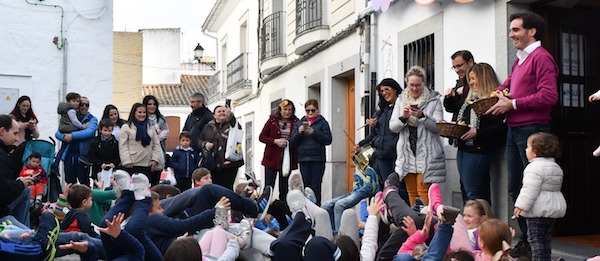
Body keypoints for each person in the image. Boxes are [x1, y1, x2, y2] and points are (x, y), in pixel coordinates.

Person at [486, 12, 559, 257]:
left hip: (533, 131)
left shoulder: (542, 58)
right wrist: (498, 93)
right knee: (516, 187)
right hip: (515, 129)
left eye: (516, 29)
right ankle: (528, 242)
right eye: (510, 30)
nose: (511, 34)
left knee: (532, 187)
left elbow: (549, 96)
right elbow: (506, 85)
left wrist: (513, 104)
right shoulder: (520, 60)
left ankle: (535, 243)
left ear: (532, 31)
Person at [389, 65, 445, 207]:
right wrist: (404, 117)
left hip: (427, 155)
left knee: (424, 192)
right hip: (407, 155)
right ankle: (417, 224)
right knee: (411, 193)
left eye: (418, 85)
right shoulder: (401, 99)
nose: (414, 89)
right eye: (411, 85)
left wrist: (422, 116)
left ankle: (429, 224)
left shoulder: (434, 100)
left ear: (423, 83)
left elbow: (439, 127)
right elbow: (393, 127)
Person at [455, 63, 507, 204]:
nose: (471, 82)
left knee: (474, 194)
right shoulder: (470, 100)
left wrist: (478, 133)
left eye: (473, 78)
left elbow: (501, 129)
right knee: (467, 191)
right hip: (464, 149)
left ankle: (479, 225)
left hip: (479, 151)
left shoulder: (495, 100)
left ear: (484, 78)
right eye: (469, 79)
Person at [513, 132, 566, 261]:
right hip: (553, 208)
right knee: (546, 239)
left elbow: (529, 189)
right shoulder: (556, 167)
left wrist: (520, 205)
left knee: (535, 239)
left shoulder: (533, 168)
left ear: (536, 150)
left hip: (538, 209)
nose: (526, 150)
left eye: (528, 147)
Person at [356, 78, 405, 191]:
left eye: (387, 89)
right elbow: (374, 134)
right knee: (386, 187)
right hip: (382, 154)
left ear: (395, 89)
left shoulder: (402, 107)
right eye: (382, 91)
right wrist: (361, 143)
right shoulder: (381, 111)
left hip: (397, 154)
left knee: (400, 188)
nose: (384, 93)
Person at [290, 99, 332, 205]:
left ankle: (317, 211)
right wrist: (299, 133)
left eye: (313, 110)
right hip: (303, 159)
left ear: (317, 110)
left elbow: (328, 140)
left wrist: (314, 132)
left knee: (316, 187)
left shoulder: (322, 123)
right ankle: (307, 211)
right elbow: (292, 143)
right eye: (307, 110)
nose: (310, 113)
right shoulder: (299, 123)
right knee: (306, 187)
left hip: (318, 159)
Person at [259, 99, 299, 201]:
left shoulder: (296, 122)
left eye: (290, 110)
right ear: (280, 110)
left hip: (287, 159)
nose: (287, 112)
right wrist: (275, 141)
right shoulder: (272, 121)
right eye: (285, 109)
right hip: (272, 158)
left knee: (284, 187)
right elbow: (262, 137)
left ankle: (283, 211)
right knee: (269, 187)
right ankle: (266, 209)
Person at [55, 96, 99, 187]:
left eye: (87, 105)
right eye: (81, 104)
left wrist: (72, 136)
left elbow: (89, 132)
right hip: (69, 154)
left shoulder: (92, 119)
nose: (84, 107)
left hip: (83, 156)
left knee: (84, 183)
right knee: (70, 183)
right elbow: (58, 133)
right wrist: (65, 137)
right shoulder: (70, 116)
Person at [198, 105, 244, 190]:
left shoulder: (232, 125)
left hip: (229, 163)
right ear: (214, 115)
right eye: (219, 111)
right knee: (215, 188)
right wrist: (205, 144)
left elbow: (237, 128)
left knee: (227, 188)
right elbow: (199, 141)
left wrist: (231, 116)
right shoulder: (208, 127)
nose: (222, 113)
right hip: (213, 163)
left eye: (224, 111)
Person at [0, 114, 33, 227]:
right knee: (33, 239)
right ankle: (24, 235)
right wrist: (20, 183)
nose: (17, 138)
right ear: (2, 131)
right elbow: (5, 195)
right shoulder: (2, 157)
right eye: (14, 133)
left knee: (25, 190)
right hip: (1, 214)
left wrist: (18, 183)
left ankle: (23, 228)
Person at [119, 103, 162, 177]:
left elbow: (156, 145)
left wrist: (155, 160)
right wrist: (126, 161)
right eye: (139, 112)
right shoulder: (126, 127)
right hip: (132, 164)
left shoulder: (150, 127)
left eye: (144, 112)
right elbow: (123, 146)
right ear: (134, 113)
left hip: (147, 164)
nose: (142, 114)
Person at [444, 51, 476, 128]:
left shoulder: (481, 76)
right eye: (454, 67)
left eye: (459, 66)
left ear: (470, 62)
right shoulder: (461, 80)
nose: (457, 70)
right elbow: (453, 108)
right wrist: (449, 97)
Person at [143, 95, 169, 185]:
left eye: (154, 104)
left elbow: (165, 133)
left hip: (159, 151)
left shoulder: (161, 119)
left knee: (156, 180)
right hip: (145, 152)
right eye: (149, 104)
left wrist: (155, 138)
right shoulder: (142, 118)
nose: (152, 106)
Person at [89, 119, 120, 183]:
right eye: (105, 130)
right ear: (100, 130)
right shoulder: (95, 142)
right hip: (98, 170)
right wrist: (100, 164)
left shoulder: (115, 142)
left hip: (112, 171)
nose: (107, 133)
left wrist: (114, 163)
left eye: (109, 131)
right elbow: (91, 156)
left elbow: (118, 156)